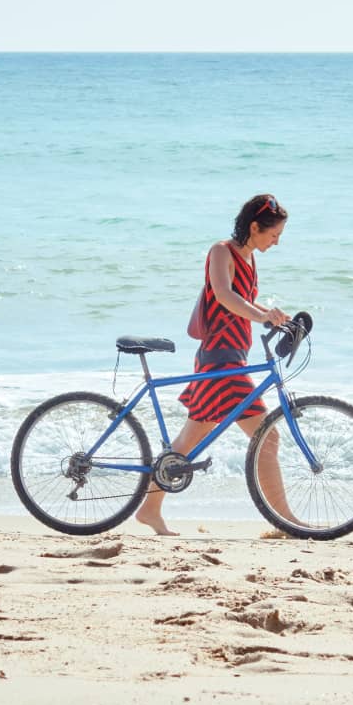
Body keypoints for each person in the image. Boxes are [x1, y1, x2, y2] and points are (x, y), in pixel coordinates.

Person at [135, 194, 292, 536]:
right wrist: (262, 314)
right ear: (254, 226)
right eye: (273, 234)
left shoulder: (249, 259)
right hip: (219, 361)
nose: (277, 241)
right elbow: (224, 295)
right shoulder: (221, 251)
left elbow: (244, 302)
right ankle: (286, 522)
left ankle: (149, 509)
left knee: (187, 443)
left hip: (231, 357)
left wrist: (273, 315)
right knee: (269, 438)